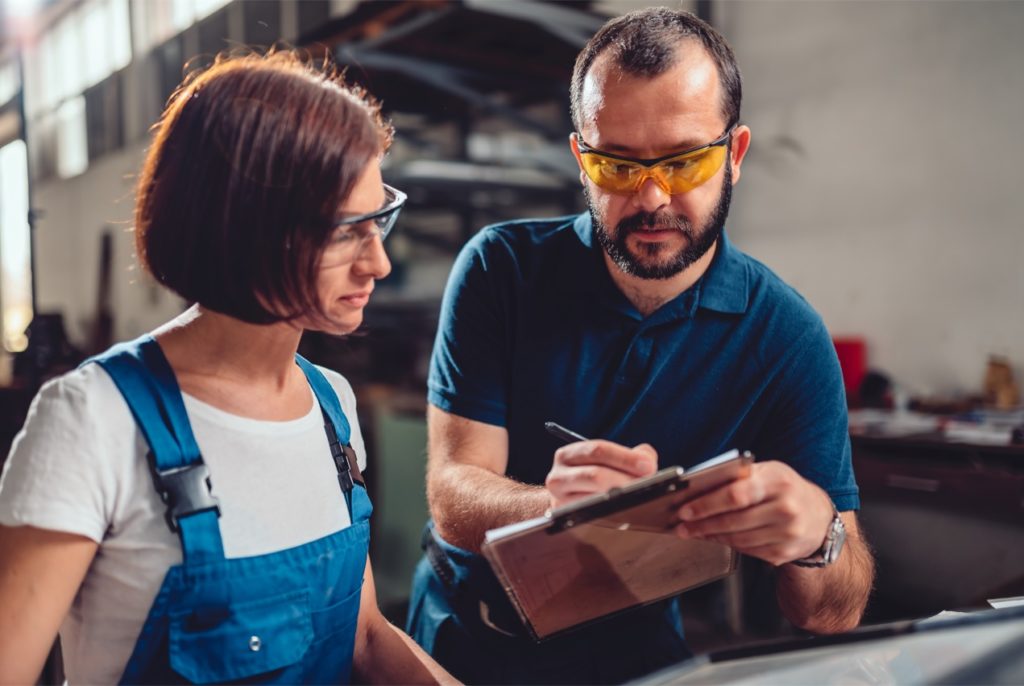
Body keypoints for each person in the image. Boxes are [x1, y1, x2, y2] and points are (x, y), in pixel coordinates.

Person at [406, 7, 875, 684]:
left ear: (734, 155)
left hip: (632, 651)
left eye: (683, 162)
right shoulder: (500, 269)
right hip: (463, 637)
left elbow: (832, 614)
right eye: (618, 166)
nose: (652, 197)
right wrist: (556, 512)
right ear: (581, 157)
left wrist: (816, 538)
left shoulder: (787, 340)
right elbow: (453, 498)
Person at [0, 51, 454, 685]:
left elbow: (366, 637)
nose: (377, 263)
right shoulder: (93, 420)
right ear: (247, 228)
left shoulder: (331, 406)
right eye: (348, 231)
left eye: (378, 220)